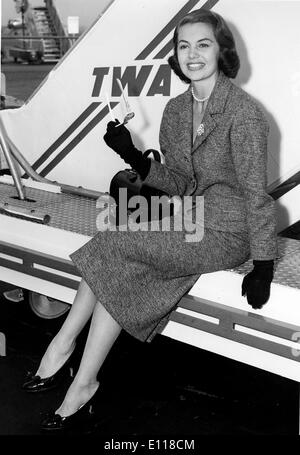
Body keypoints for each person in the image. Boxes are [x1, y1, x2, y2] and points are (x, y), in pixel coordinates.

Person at [22, 8, 277, 431]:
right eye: (183, 45)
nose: (192, 54)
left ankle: (63, 351)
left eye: (203, 44)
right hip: (189, 218)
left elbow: (255, 194)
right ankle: (80, 377)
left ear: (221, 51)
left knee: (116, 246)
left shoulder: (244, 113)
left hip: (230, 231)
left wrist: (263, 263)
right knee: (116, 246)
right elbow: (176, 182)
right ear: (175, 55)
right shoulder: (178, 109)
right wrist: (132, 155)